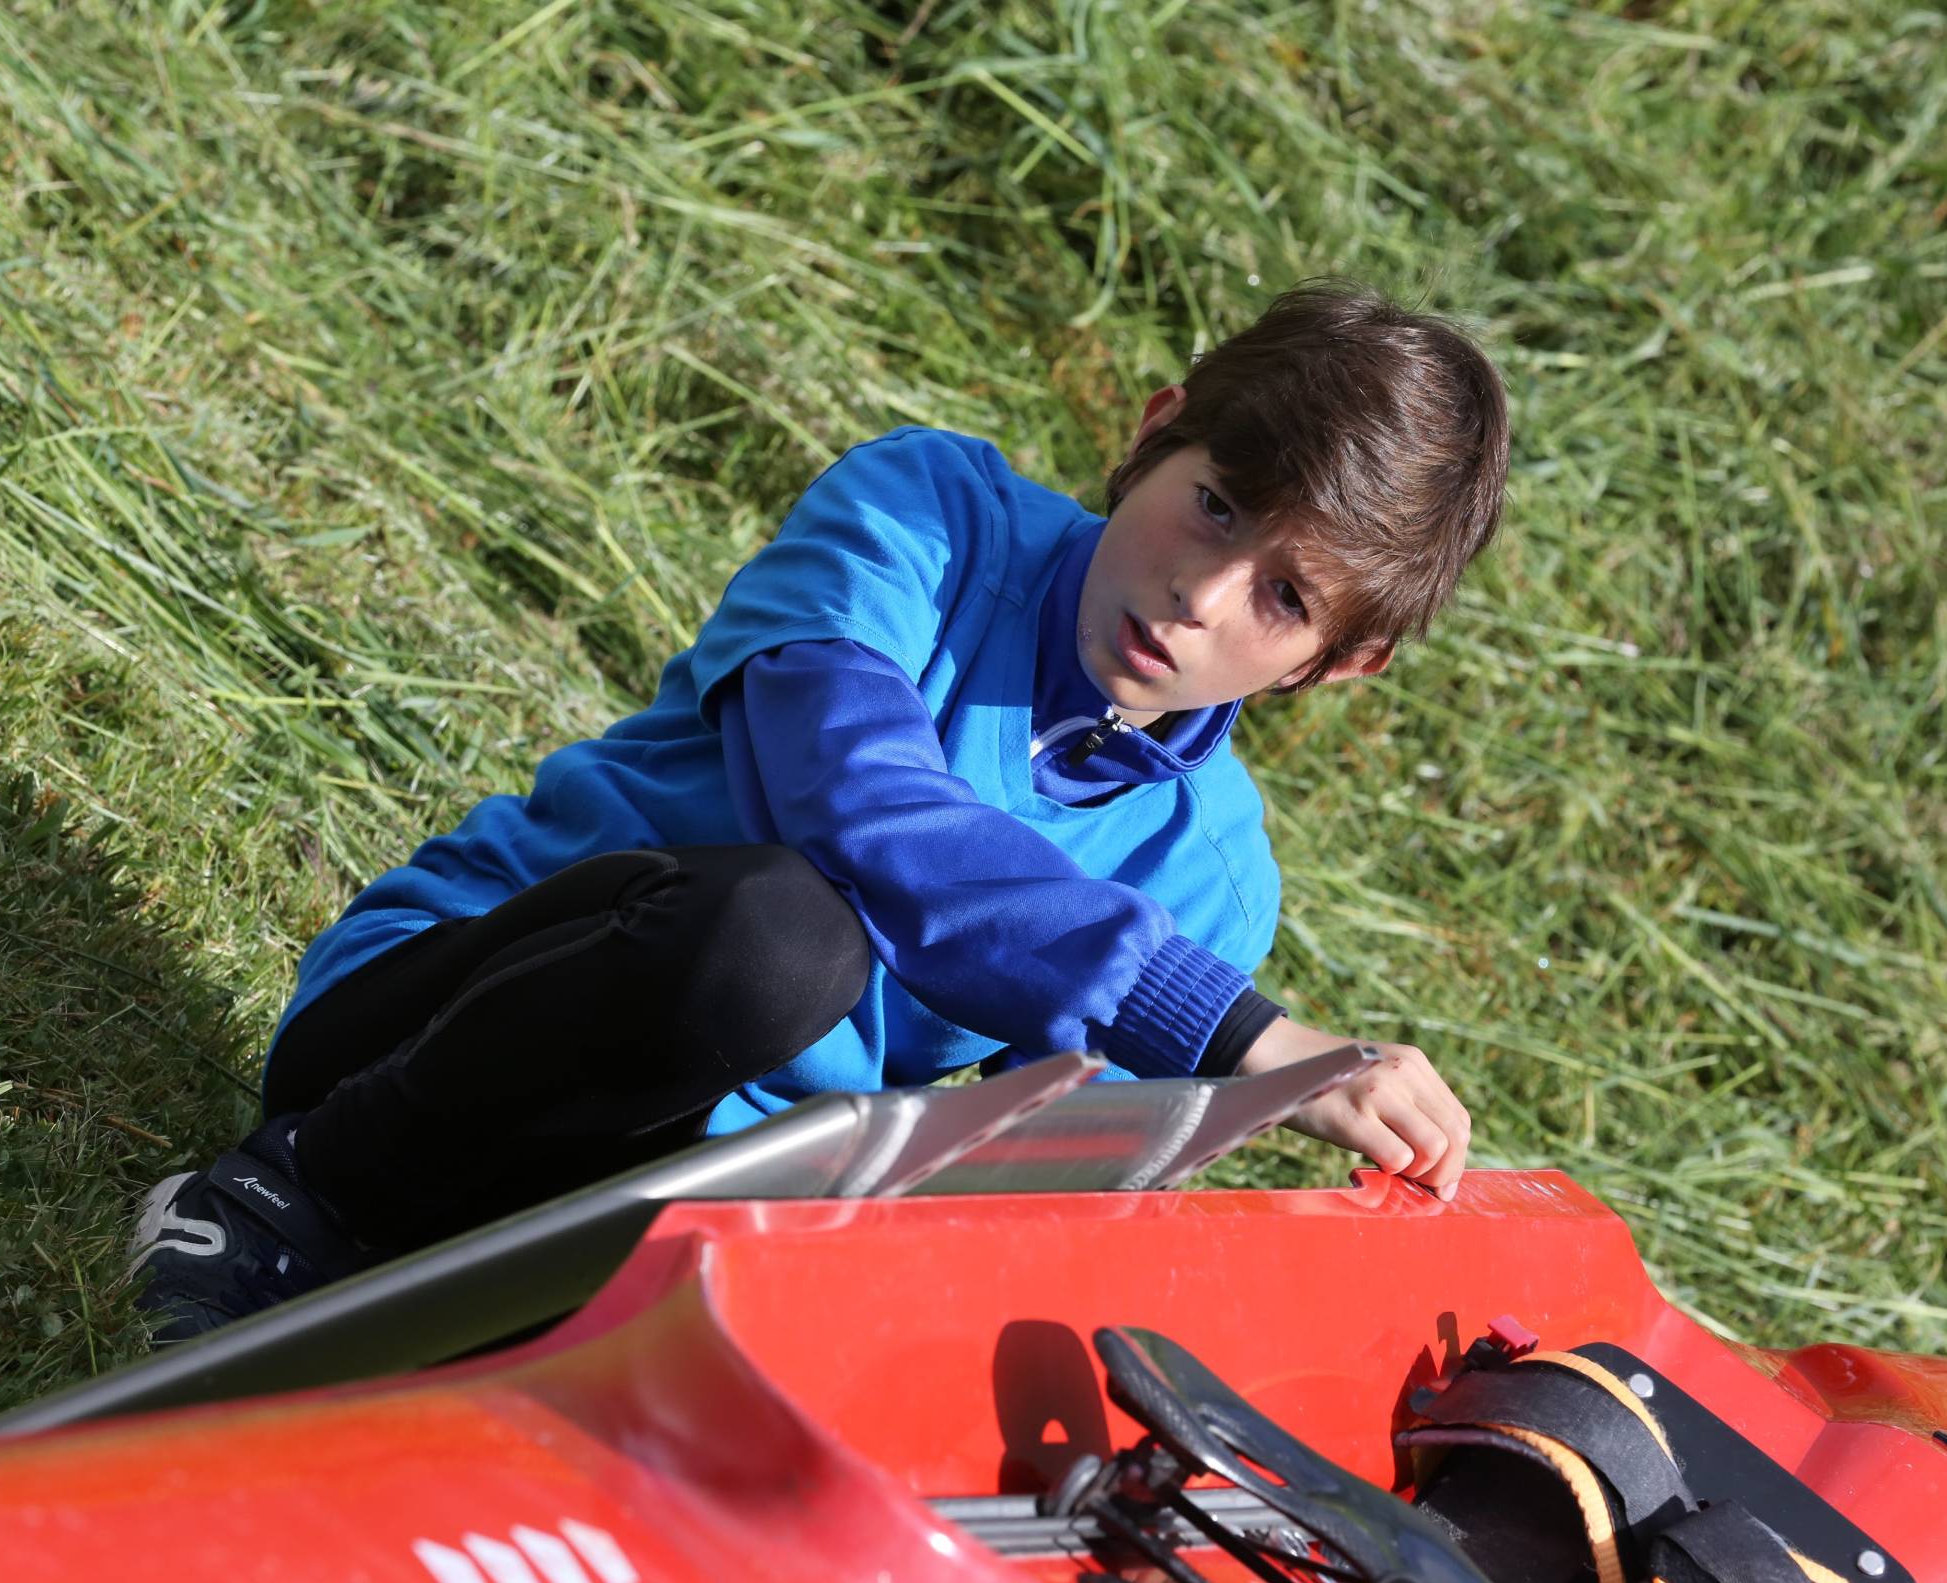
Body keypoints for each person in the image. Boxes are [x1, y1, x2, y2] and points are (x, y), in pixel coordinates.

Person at [129, 277, 1511, 1343]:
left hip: (687, 1203)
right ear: (1154, 433)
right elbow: (859, 803)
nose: (1203, 595)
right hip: (419, 1037)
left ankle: (526, 1328)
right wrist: (1231, 1032)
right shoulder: (923, 512)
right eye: (1212, 506)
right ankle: (290, 1198)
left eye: (1285, 597)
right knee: (785, 939)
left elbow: (1017, 1179)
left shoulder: (1211, 883)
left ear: (1338, 663)